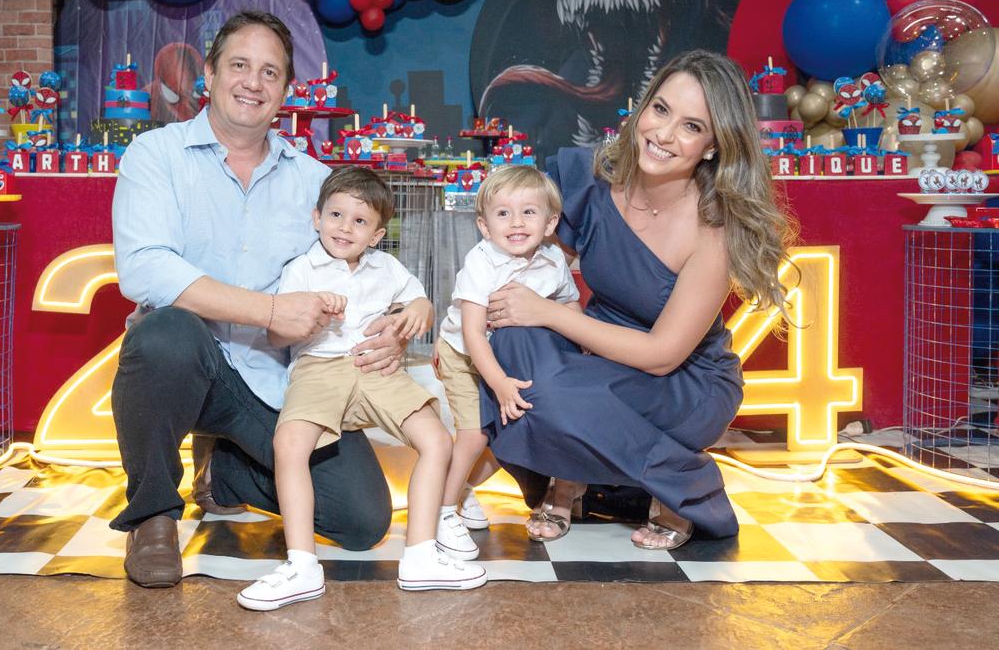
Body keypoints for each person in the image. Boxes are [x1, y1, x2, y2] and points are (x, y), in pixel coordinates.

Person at [109, 11, 407, 588]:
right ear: (211, 75)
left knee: (360, 518)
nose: (253, 82)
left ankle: (223, 472)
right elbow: (144, 268)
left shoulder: (316, 181)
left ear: (286, 91)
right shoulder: (155, 155)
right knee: (164, 332)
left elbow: (362, 269)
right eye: (239, 65)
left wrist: (392, 324)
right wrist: (270, 310)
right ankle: (152, 516)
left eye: (270, 72)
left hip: (272, 379)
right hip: (185, 358)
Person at [482, 49, 794, 548]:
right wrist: (458, 319)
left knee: (555, 391)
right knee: (505, 350)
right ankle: (589, 476)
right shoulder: (592, 181)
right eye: (661, 110)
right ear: (643, 107)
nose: (665, 134)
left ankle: (685, 484)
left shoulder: (713, 231)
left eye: (692, 126)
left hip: (682, 381)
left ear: (713, 147)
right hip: (596, 354)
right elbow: (520, 262)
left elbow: (660, 355)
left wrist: (548, 316)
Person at [237, 167, 487, 610]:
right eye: (335, 215)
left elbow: (419, 303)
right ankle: (301, 565)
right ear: (316, 218)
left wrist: (418, 311)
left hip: (375, 366)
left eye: (359, 221)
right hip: (319, 367)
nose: (344, 228)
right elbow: (277, 338)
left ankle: (421, 554)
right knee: (290, 443)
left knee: (437, 439)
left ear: (376, 234)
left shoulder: (386, 267)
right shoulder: (301, 270)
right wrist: (309, 315)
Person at [433, 165, 581, 559]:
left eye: (529, 212)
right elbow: (472, 334)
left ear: (550, 222)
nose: (516, 222)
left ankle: (461, 489)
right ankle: (441, 510)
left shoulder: (552, 261)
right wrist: (498, 383)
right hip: (465, 355)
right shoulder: (482, 262)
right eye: (503, 214)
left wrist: (580, 336)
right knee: (475, 434)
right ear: (484, 226)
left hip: (499, 357)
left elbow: (569, 302)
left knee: (502, 436)